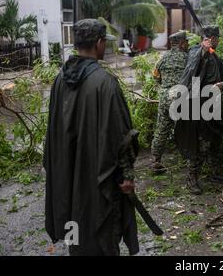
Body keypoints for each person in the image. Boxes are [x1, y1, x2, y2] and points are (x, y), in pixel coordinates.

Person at [44, 19, 139, 256]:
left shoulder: (59, 79)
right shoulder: (105, 83)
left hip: (69, 171)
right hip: (98, 175)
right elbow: (122, 137)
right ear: (98, 43)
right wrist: (126, 175)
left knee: (76, 224)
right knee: (103, 230)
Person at [174, 25, 223, 195]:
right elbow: (193, 64)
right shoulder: (197, 52)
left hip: (212, 104)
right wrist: (203, 50)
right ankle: (192, 178)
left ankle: (214, 172)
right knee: (201, 144)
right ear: (210, 39)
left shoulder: (212, 55)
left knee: (216, 138)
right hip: (198, 106)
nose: (218, 41)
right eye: (216, 38)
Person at [151, 31, 189, 173]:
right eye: (186, 42)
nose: (188, 44)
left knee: (162, 128)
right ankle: (190, 162)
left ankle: (156, 161)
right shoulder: (186, 58)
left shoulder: (163, 57)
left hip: (164, 97)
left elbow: (156, 76)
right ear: (181, 43)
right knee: (186, 130)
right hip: (180, 98)